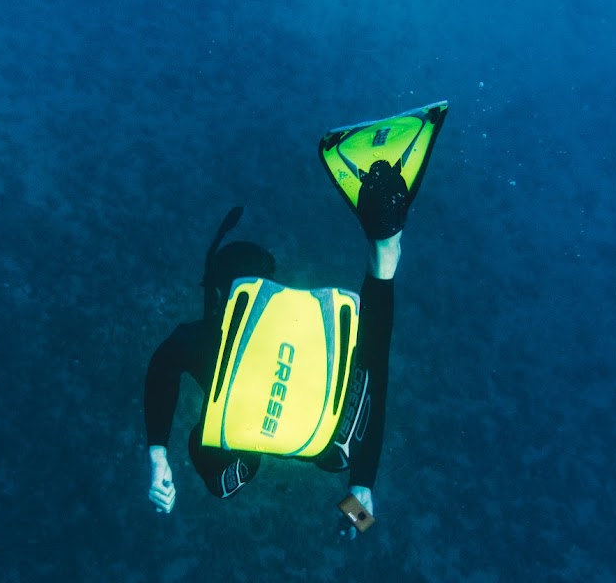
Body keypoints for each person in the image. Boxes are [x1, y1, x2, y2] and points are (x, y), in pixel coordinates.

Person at [143, 102, 448, 536]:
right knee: (368, 360)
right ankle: (385, 248)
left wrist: (158, 457)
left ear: (217, 295)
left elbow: (160, 366)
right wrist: (361, 489)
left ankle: (385, 254)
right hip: (334, 443)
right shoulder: (311, 324)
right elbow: (374, 384)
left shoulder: (201, 340)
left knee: (208, 445)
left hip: (284, 441)